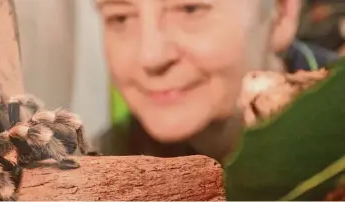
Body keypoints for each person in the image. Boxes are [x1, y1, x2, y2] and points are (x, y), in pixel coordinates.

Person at [91, 0, 340, 164]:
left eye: (190, 9)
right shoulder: (101, 163)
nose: (150, 56)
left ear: (281, 14)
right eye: (120, 18)